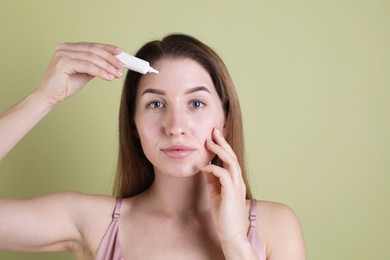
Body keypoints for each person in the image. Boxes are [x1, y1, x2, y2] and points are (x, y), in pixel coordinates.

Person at [0, 34, 306, 259]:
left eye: (196, 103)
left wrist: (235, 240)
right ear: (133, 124)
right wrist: (42, 99)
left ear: (225, 118)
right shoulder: (93, 222)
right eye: (156, 103)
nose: (175, 126)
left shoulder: (274, 226)